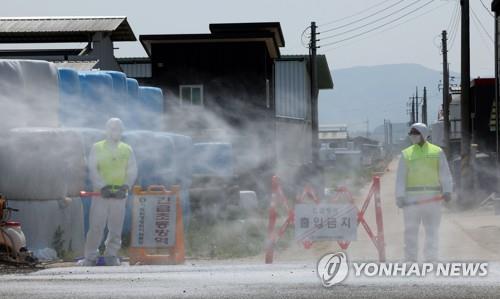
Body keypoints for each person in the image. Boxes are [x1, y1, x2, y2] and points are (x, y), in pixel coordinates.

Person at [82, 118, 137, 266]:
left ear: (122, 131)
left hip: (119, 195)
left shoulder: (127, 149)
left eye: (118, 128)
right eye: (112, 128)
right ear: (106, 130)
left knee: (116, 227)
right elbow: (93, 169)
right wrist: (101, 187)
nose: (115, 131)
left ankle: (111, 255)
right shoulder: (97, 147)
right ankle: (91, 256)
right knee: (96, 225)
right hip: (101, 194)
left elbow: (132, 170)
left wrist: (125, 186)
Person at [395, 123, 453, 262]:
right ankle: (410, 258)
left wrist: (447, 190)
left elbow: (444, 173)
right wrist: (400, 196)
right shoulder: (406, 153)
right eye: (411, 133)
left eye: (415, 132)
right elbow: (401, 177)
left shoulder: (437, 151)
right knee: (410, 231)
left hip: (433, 199)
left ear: (423, 133)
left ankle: (431, 257)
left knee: (432, 230)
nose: (412, 135)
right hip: (411, 201)